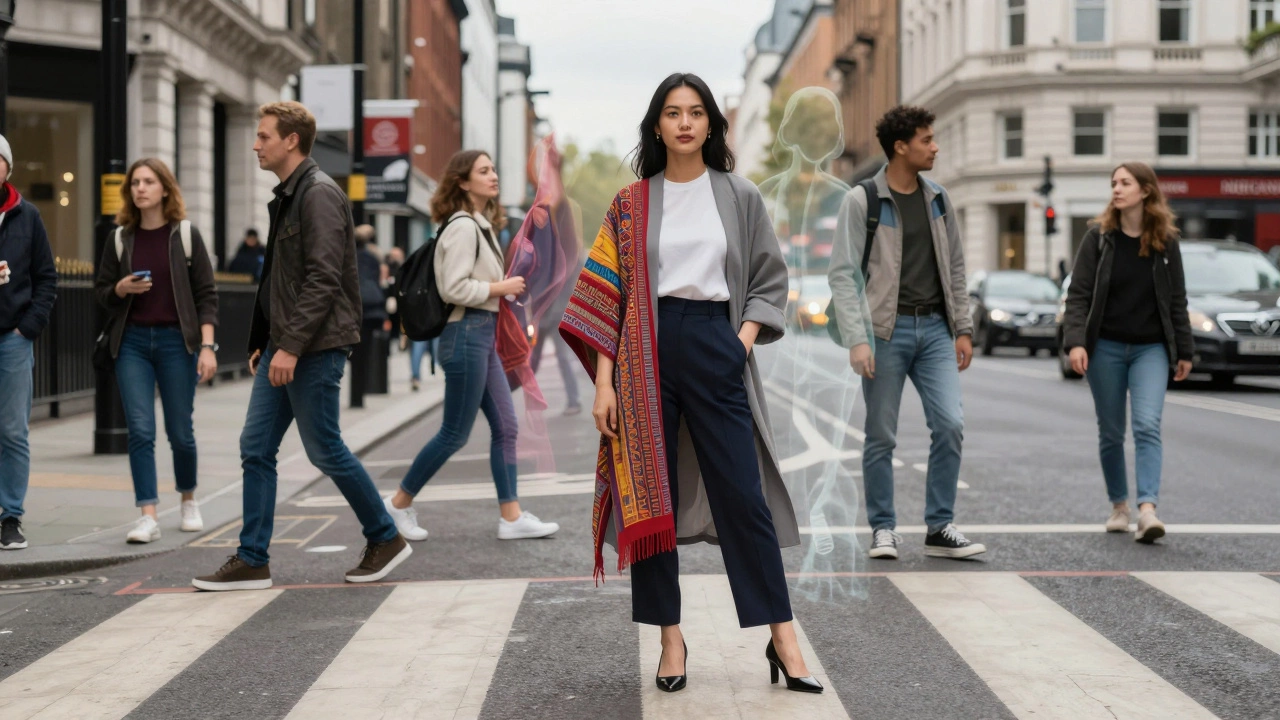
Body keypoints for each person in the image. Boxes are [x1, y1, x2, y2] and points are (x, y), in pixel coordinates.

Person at [561, 73, 821, 694]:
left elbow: (767, 279)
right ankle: (669, 638)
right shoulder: (631, 203)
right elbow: (606, 298)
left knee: (742, 493)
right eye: (673, 113)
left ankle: (781, 635)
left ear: (711, 124)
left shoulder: (738, 194)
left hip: (715, 341)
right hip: (641, 353)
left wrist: (740, 344)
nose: (684, 123)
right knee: (649, 498)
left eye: (696, 113)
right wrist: (605, 385)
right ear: (657, 125)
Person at [192, 101, 410, 591]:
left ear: (291, 140)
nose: (255, 144)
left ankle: (385, 536)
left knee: (324, 448)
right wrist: (265, 341)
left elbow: (323, 279)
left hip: (313, 346)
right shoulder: (291, 195)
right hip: (287, 343)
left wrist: (288, 346)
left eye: (264, 136)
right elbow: (282, 280)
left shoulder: (318, 194)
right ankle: (253, 558)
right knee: (255, 447)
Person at [828, 105, 985, 561]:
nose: (935, 147)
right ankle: (883, 528)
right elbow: (842, 274)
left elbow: (955, 266)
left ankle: (939, 527)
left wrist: (962, 327)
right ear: (901, 146)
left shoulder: (938, 198)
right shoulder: (863, 201)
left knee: (951, 424)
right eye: (927, 140)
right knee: (881, 435)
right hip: (884, 333)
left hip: (935, 328)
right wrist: (858, 338)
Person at [382, 150, 560, 543]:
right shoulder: (462, 227)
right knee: (453, 433)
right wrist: (501, 288)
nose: (493, 175)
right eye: (483, 171)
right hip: (465, 335)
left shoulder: (479, 226)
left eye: (493, 168)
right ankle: (396, 504)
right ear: (463, 182)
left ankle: (511, 517)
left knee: (506, 427)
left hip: (480, 335)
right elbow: (453, 288)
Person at [1062, 162, 1193, 543]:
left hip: (1150, 348)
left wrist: (1184, 349)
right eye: (1114, 183)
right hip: (1105, 348)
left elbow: (1177, 299)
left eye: (1125, 183)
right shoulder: (1098, 239)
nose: (1116, 189)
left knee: (1147, 425)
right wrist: (1076, 342)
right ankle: (1119, 504)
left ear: (1146, 191)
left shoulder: (1165, 241)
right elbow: (1079, 295)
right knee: (1112, 431)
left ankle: (1147, 509)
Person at [94, 158, 219, 543]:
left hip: (175, 344)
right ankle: (147, 514)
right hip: (132, 343)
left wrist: (208, 346)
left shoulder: (184, 234)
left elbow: (206, 295)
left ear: (165, 188)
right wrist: (120, 289)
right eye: (135, 183)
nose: (140, 188)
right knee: (141, 431)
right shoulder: (120, 238)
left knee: (180, 432)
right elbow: (100, 292)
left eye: (148, 182)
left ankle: (187, 499)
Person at [0, 133, 57, 551]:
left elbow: (47, 279)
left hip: (13, 338)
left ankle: (10, 516)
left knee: (13, 431)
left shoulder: (27, 215)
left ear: (7, 167)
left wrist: (28, 328)